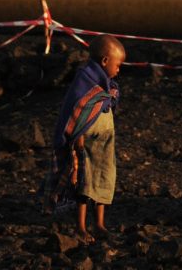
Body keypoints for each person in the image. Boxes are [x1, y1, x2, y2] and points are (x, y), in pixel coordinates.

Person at [47, 35, 126, 243]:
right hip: (86, 140)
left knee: (104, 176)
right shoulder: (84, 82)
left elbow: (103, 103)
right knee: (84, 180)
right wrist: (78, 137)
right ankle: (81, 227)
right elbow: (76, 110)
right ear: (105, 61)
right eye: (118, 65)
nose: (119, 70)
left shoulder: (107, 85)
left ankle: (99, 224)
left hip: (105, 141)